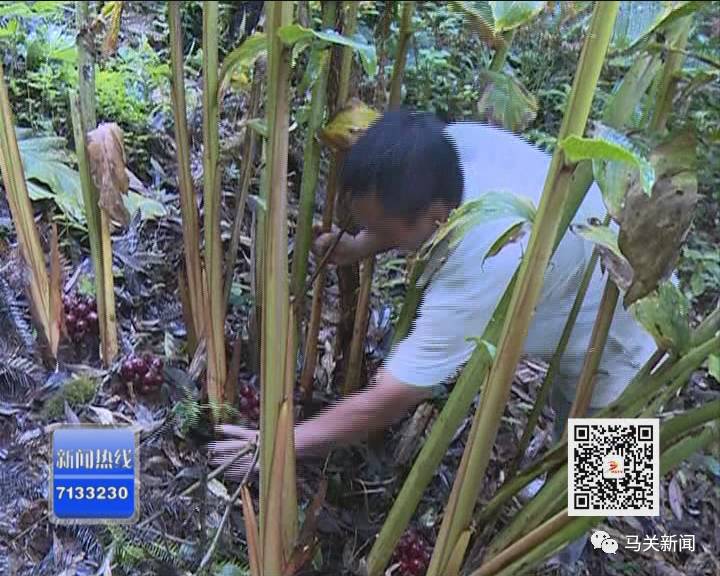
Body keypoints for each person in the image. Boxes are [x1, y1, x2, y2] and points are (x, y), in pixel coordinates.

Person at [209, 112, 655, 558]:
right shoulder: (445, 152)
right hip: (575, 288)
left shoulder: (487, 256)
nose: (374, 235)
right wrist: (362, 245)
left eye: (382, 231)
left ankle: (565, 558)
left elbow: (392, 397)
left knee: (599, 487)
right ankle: (562, 487)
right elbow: (411, 223)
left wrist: (278, 447)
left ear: (438, 219)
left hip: (629, 332)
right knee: (568, 423)